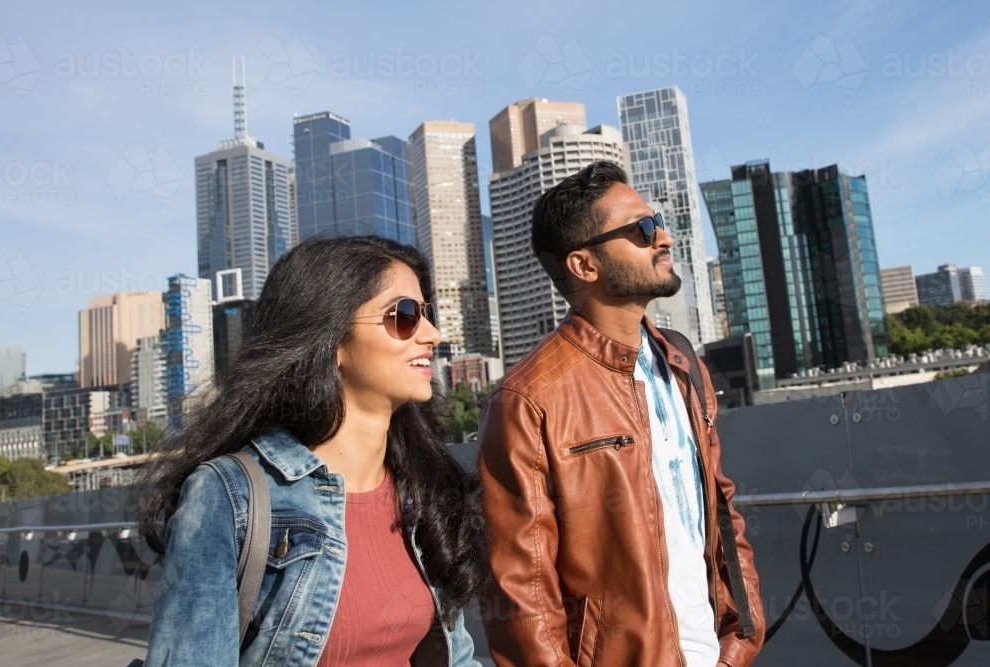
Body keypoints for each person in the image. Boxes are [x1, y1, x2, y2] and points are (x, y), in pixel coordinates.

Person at [139, 236, 486, 667]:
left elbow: (457, 657)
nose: (432, 334)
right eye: (405, 315)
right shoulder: (227, 497)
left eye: (426, 314)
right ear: (332, 339)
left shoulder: (420, 491)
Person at [477, 161, 766, 667]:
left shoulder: (683, 364)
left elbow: (722, 514)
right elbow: (521, 592)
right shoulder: (528, 399)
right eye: (643, 229)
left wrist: (742, 637)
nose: (665, 238)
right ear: (584, 265)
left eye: (659, 223)